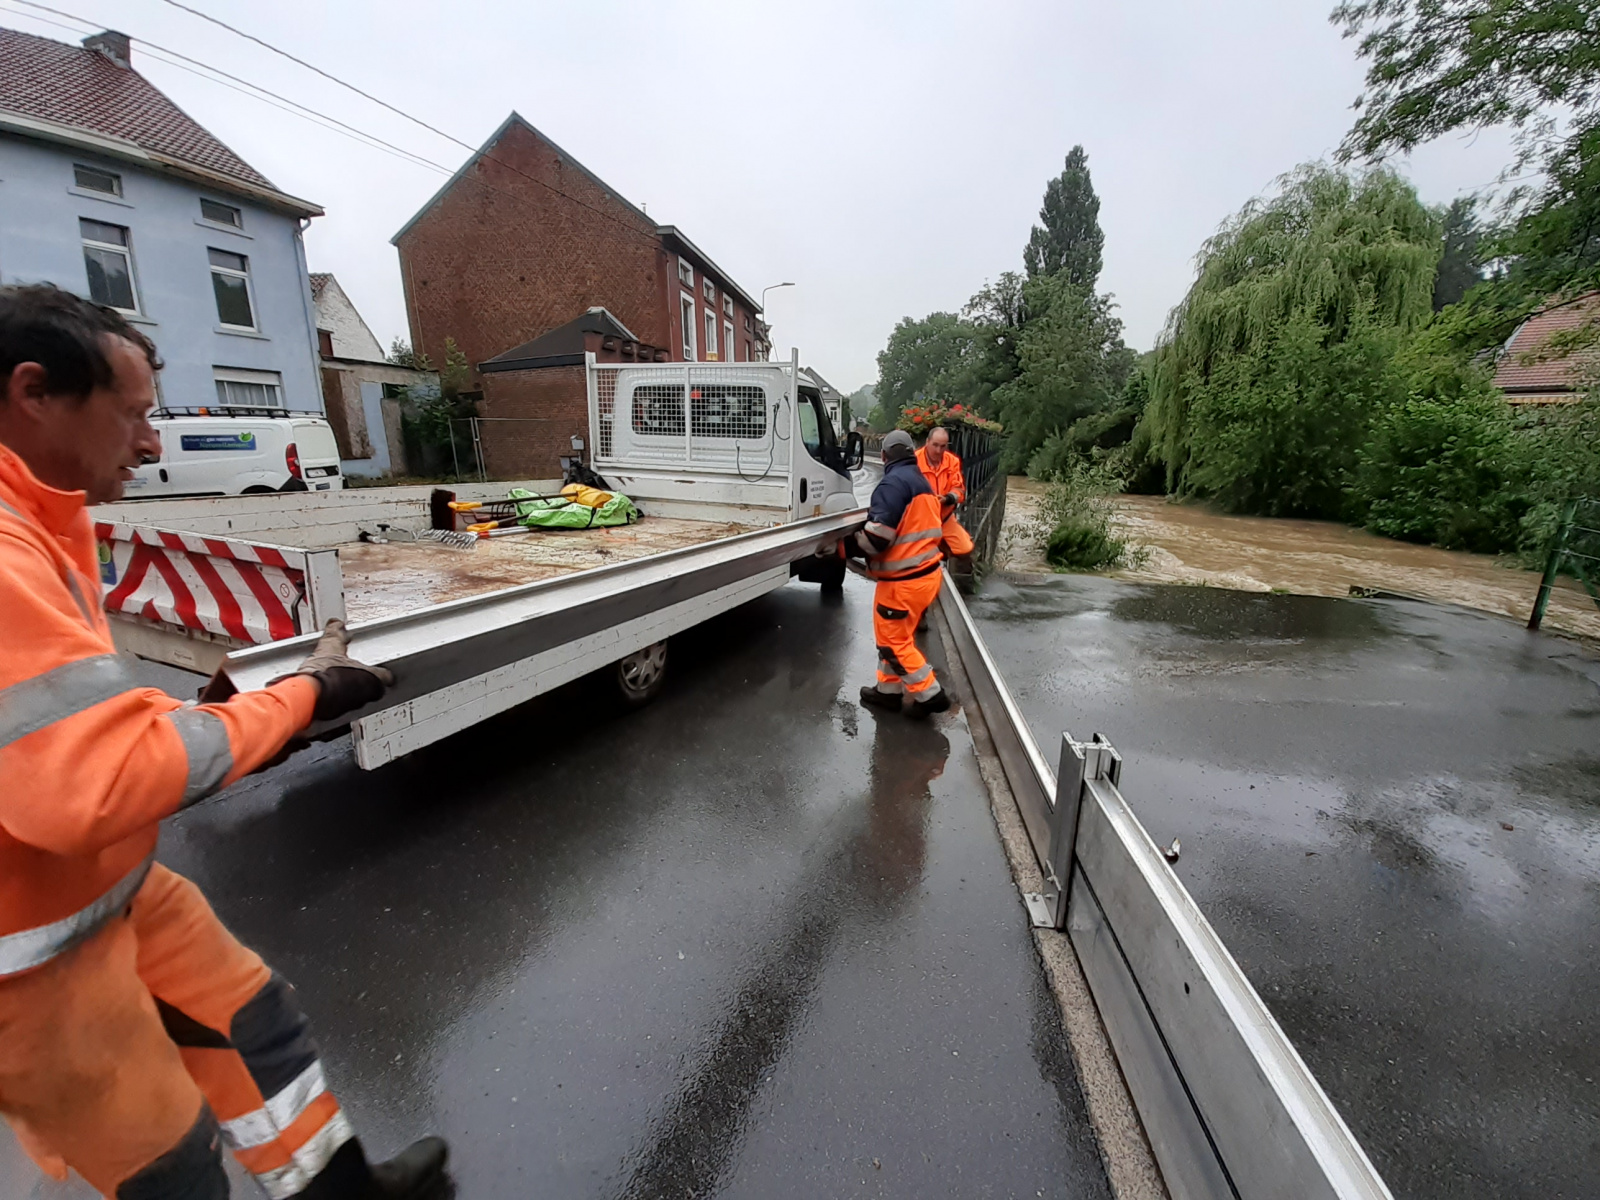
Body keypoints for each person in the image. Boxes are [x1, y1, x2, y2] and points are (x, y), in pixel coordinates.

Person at [0, 285, 448, 1199]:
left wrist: (218, 723)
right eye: (134, 415)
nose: (151, 444)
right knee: (168, 1162)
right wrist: (300, 697)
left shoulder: (40, 525)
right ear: (34, 393)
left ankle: (341, 1192)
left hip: (99, 894)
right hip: (28, 964)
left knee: (250, 1023)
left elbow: (60, 733)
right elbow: (98, 785)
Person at [849, 430, 952, 718]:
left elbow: (878, 538)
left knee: (892, 644)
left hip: (903, 582)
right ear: (912, 453)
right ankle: (888, 692)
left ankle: (931, 694)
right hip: (925, 577)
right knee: (896, 637)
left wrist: (848, 543)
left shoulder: (892, 484)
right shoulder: (921, 482)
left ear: (883, 456)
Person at [914, 425, 975, 566]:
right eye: (935, 445)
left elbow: (958, 489)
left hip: (944, 517)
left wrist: (948, 498)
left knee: (965, 549)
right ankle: (938, 552)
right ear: (927, 442)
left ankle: (942, 549)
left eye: (943, 446)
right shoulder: (914, 461)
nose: (938, 451)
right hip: (921, 520)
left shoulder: (952, 461)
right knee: (921, 557)